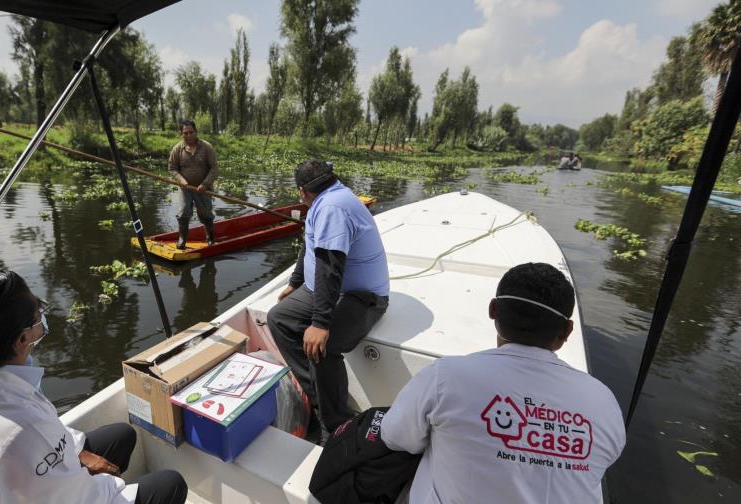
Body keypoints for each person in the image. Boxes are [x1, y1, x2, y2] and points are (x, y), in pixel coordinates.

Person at [0, 270, 187, 504]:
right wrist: (111, 485)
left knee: (120, 436)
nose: (42, 315)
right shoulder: (18, 433)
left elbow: (43, 438)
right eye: (38, 311)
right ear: (22, 338)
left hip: (11, 481)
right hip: (25, 476)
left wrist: (78, 455)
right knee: (169, 485)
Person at [381, 262, 625, 504]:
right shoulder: (603, 401)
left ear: (493, 310)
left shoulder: (445, 377)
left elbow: (394, 438)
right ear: (566, 332)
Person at [268, 160, 390, 437]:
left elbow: (330, 267)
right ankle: (321, 399)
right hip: (323, 289)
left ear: (302, 191)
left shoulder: (332, 207)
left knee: (323, 347)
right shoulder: (323, 201)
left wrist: (321, 324)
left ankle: (336, 425)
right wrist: (295, 283)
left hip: (362, 296)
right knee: (280, 319)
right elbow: (309, 246)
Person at [168, 120, 219, 249]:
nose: (189, 135)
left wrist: (205, 184)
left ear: (196, 132)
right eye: (185, 133)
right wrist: (181, 180)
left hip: (203, 188)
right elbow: (172, 168)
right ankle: (182, 240)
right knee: (184, 212)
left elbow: (214, 168)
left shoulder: (207, 147)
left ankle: (210, 238)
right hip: (186, 188)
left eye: (191, 132)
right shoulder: (177, 149)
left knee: (206, 215)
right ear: (181, 134)